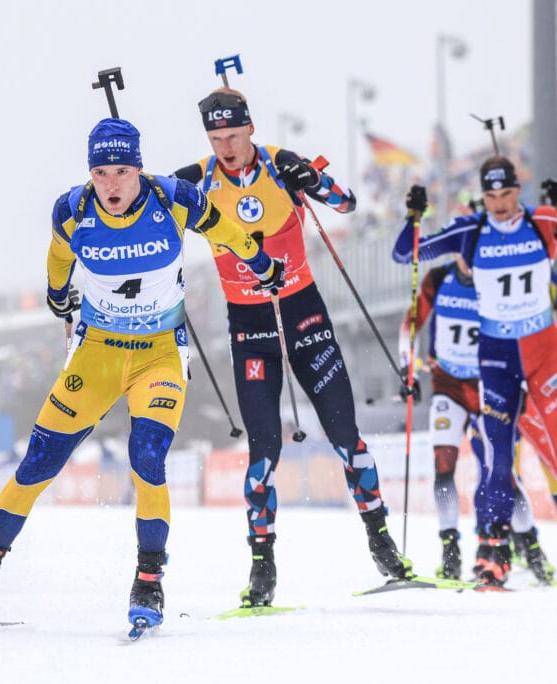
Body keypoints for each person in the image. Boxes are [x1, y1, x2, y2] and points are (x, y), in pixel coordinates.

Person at [0, 117, 281, 631]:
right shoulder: (72, 209)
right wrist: (57, 293)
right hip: (96, 355)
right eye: (100, 171)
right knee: (38, 464)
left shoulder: (175, 199)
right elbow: (58, 254)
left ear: (138, 167)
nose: (110, 184)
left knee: (147, 457)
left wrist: (261, 262)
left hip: (159, 357)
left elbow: (226, 231)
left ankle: (149, 582)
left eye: (120, 170)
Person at [173, 87, 413, 607]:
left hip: (305, 312)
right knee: (263, 452)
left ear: (250, 128)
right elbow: (147, 212)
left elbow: (346, 202)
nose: (227, 147)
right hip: (250, 321)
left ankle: (382, 543)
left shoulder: (280, 163)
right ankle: (263, 568)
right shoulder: (197, 179)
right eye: (216, 139)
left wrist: (316, 180)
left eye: (234, 136)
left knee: (347, 436)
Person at [393, 157, 557, 586]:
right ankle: (493, 546)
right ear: (483, 196)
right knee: (498, 458)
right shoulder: (470, 232)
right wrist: (413, 217)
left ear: (519, 190)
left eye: (506, 194)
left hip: (543, 354)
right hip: (496, 360)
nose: (499, 205)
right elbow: (405, 254)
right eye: (491, 196)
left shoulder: (542, 222)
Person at [399, 257, 557, 584]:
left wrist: (523, 377)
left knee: (500, 469)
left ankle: (530, 547)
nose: (468, 259)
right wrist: (407, 367)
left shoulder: (495, 278)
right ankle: (450, 551)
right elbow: (411, 323)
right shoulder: (439, 278)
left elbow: (518, 329)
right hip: (449, 385)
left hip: (489, 384)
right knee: (444, 464)